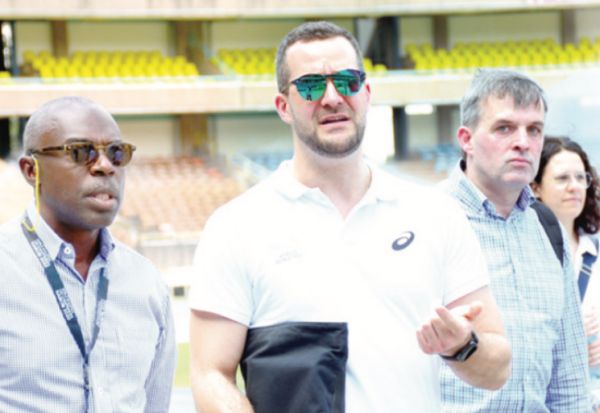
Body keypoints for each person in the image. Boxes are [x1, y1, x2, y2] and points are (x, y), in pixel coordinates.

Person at [189, 21, 510, 413]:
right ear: (283, 107)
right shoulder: (235, 227)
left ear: (367, 92)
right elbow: (210, 375)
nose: (331, 97)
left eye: (347, 81)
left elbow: (497, 367)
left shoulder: (435, 215)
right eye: (310, 86)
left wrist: (464, 345)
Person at [0, 96, 177, 412]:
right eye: (81, 152)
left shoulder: (146, 283)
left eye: (117, 152)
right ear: (31, 170)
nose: (105, 165)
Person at [439, 69, 590, 412]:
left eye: (534, 129)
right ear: (466, 139)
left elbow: (569, 378)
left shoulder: (547, 228)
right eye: (504, 128)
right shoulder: (425, 221)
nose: (523, 141)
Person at [532, 136, 600, 411]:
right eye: (562, 178)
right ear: (535, 187)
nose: (574, 187)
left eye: (580, 177)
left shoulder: (595, 249)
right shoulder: (525, 254)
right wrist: (567, 343)